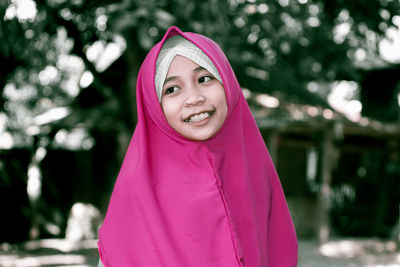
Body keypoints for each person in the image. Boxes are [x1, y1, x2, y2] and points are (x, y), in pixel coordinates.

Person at [97, 26, 298, 267]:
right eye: (172, 89)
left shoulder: (256, 172)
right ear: (154, 106)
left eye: (204, 79)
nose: (193, 98)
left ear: (228, 85)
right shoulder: (136, 191)